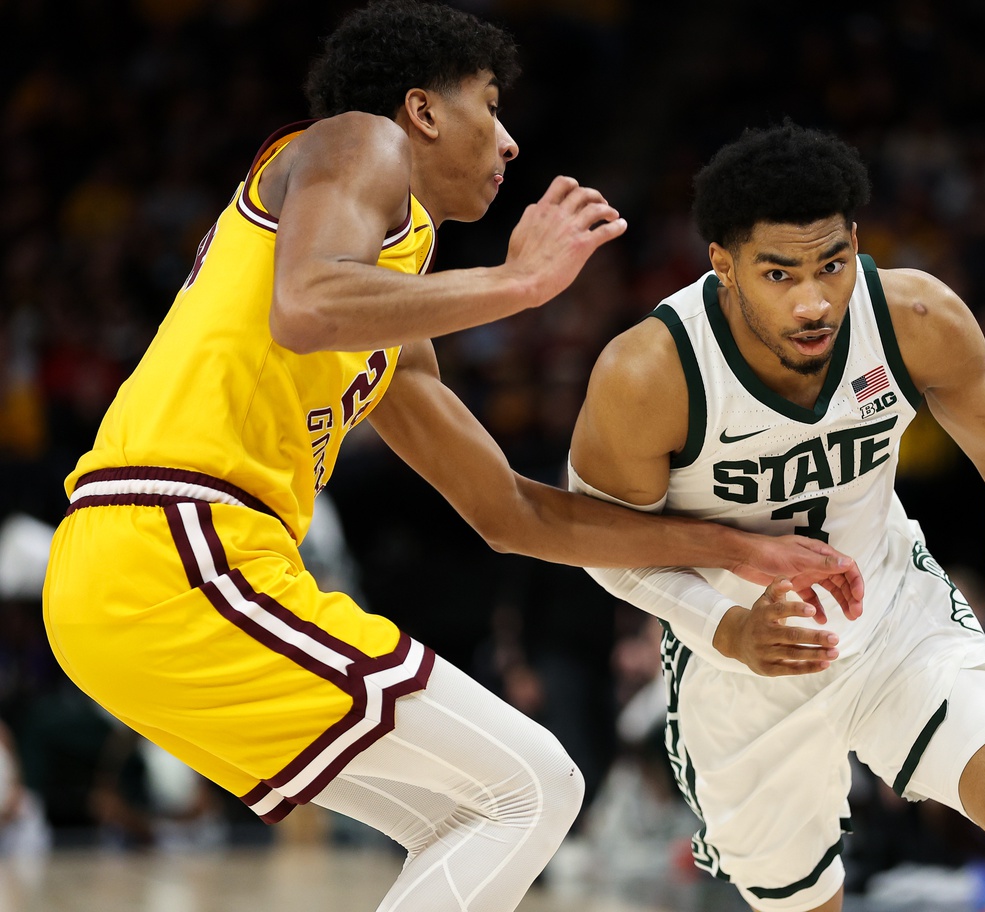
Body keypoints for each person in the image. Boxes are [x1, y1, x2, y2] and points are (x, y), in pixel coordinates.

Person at [40, 5, 862, 911]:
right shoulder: (359, 141)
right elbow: (307, 304)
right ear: (423, 111)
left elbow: (511, 513)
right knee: (533, 787)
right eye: (491, 104)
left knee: (481, 808)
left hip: (137, 579)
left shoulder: (392, 300)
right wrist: (519, 284)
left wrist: (733, 547)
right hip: (176, 549)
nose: (509, 142)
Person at [568, 121, 985, 912]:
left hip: (894, 618)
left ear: (855, 241)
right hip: (743, 667)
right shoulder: (650, 372)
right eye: (778, 274)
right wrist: (725, 628)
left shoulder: (913, 318)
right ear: (724, 267)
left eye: (832, 264)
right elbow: (599, 544)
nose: (814, 300)